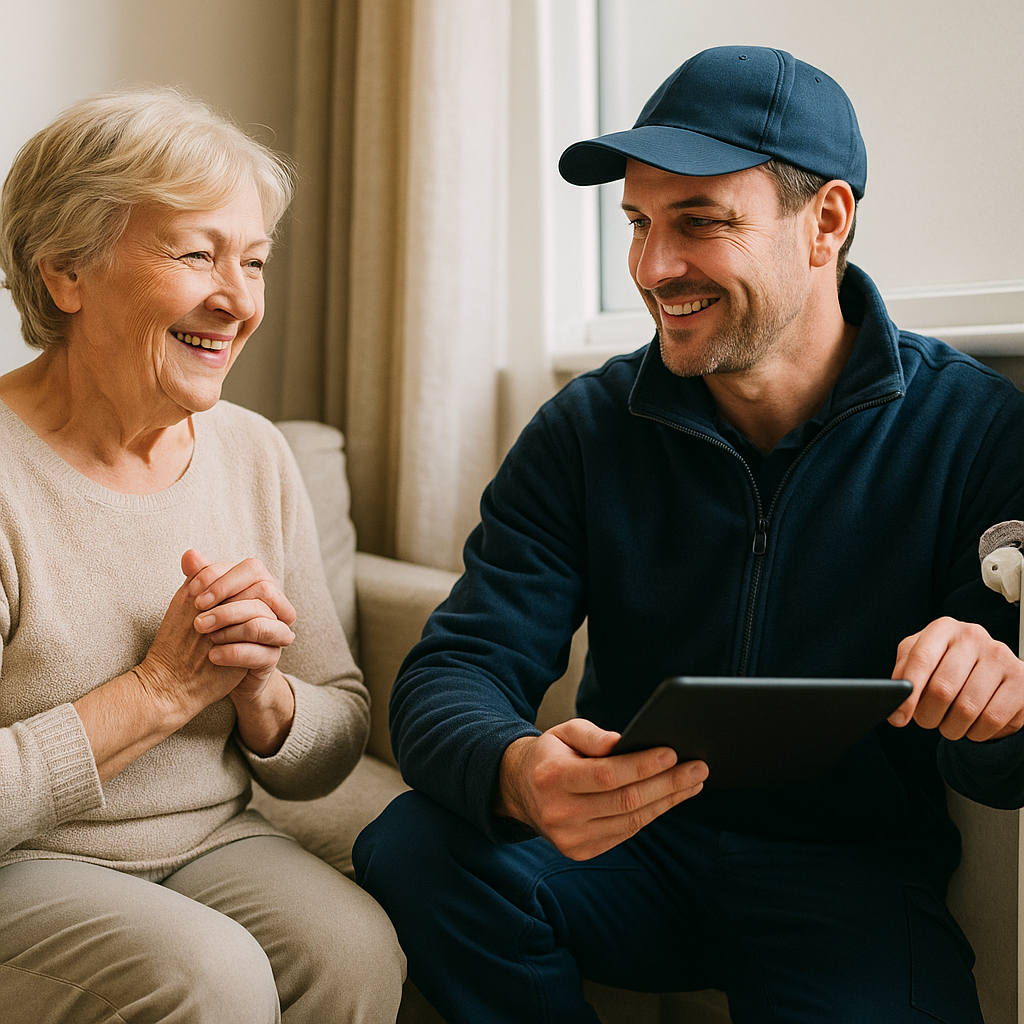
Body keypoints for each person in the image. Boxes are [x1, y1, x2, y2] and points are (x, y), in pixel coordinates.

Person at [354, 45, 1024, 1023]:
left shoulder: (974, 431)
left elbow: (997, 764)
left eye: (700, 223)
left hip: (848, 877)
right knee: (414, 843)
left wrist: (998, 704)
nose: (653, 266)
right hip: (631, 847)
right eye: (638, 222)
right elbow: (453, 669)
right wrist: (514, 769)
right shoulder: (585, 430)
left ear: (824, 222)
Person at [0, 89, 404, 1023]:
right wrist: (159, 692)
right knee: (209, 976)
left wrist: (263, 693)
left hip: (214, 835)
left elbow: (334, 726)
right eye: (196, 254)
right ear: (66, 272)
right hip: (24, 861)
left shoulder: (255, 452)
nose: (238, 300)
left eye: (254, 262)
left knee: (353, 950)